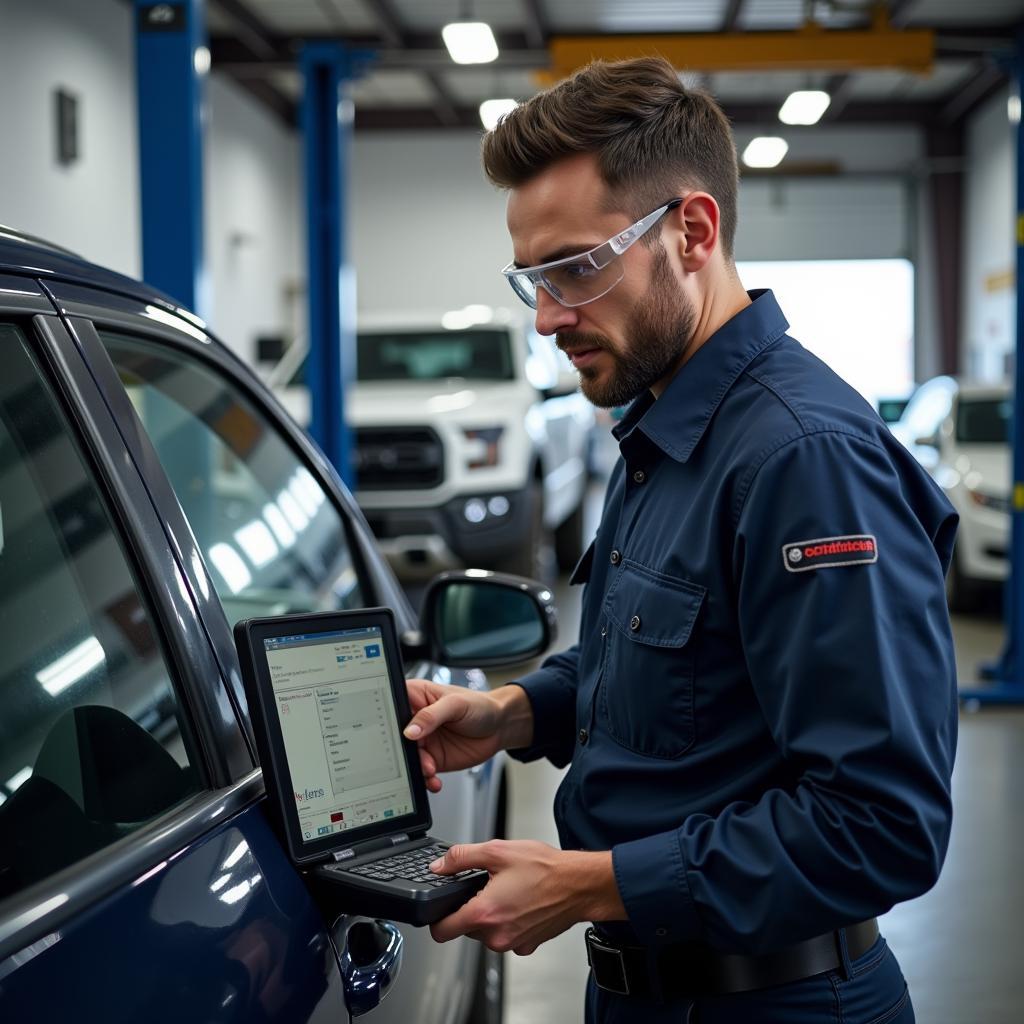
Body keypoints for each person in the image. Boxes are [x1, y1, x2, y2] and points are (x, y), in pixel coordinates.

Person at [404, 57, 958, 1023]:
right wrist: (511, 713)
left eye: (575, 266)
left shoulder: (802, 460)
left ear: (691, 233)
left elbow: (882, 825)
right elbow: (676, 668)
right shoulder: (663, 421)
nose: (546, 318)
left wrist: (591, 883)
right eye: (531, 277)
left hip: (778, 1001)